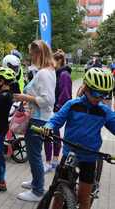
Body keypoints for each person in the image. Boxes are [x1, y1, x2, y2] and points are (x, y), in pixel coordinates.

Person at [42, 68, 115, 209]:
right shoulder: (72, 105)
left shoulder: (104, 111)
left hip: (89, 157)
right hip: (70, 154)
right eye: (96, 93)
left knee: (84, 197)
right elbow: (56, 120)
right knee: (58, 194)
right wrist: (48, 126)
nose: (99, 98)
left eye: (104, 94)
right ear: (86, 87)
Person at [14, 40, 56, 202]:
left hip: (38, 120)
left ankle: (38, 190)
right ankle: (35, 182)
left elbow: (48, 100)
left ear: (39, 53)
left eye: (32, 54)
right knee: (34, 154)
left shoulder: (44, 73)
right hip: (39, 118)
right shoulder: (47, 71)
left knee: (34, 156)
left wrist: (25, 97)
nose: (31, 57)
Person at [43, 49, 72, 173]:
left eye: (53, 60)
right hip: (54, 108)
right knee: (53, 135)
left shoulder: (64, 75)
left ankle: (51, 161)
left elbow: (65, 94)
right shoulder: (58, 73)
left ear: (59, 60)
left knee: (50, 135)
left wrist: (58, 108)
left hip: (56, 109)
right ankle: (52, 161)